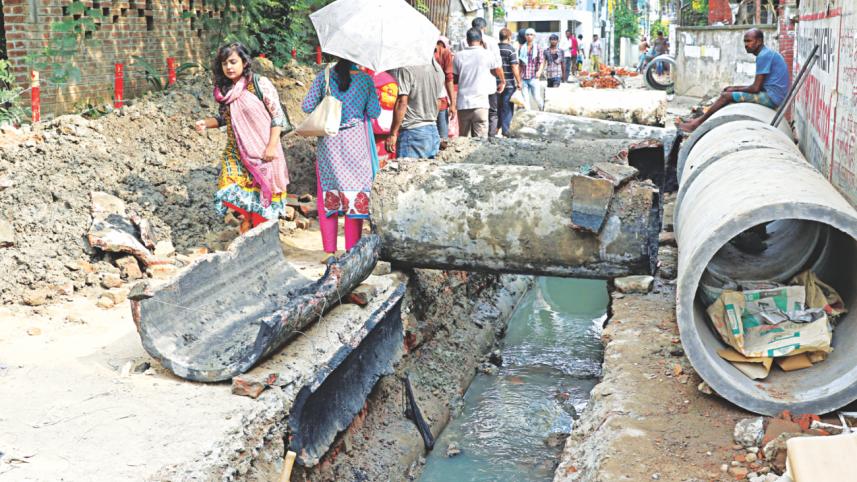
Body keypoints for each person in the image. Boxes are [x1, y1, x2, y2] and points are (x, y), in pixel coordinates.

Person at [195, 42, 290, 235]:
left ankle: (257, 236)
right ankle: (246, 221)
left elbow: (277, 116)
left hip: (263, 150)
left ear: (244, 62)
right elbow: (225, 118)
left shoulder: (259, 84)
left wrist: (271, 146)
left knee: (262, 199)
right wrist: (206, 123)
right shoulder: (225, 91)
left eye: (233, 62)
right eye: (224, 63)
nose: (228, 67)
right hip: (236, 150)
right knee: (227, 187)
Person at [301, 57, 381, 258]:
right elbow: (374, 112)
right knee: (354, 196)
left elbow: (307, 106)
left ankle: (329, 252)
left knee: (328, 195)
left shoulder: (324, 76)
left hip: (330, 144)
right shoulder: (365, 80)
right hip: (356, 145)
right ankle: (351, 252)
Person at [679, 28, 790, 133]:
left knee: (725, 96)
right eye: (744, 41)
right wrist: (735, 88)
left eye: (749, 41)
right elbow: (758, 86)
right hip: (772, 94)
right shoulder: (767, 53)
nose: (746, 45)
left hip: (771, 98)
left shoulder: (764, 56)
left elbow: (756, 88)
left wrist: (734, 88)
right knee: (729, 93)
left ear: (759, 41)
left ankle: (696, 124)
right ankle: (700, 120)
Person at [386, 59, 445, 158]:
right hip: (432, 130)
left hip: (412, 133)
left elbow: (402, 102)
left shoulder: (406, 69)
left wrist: (393, 133)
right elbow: (439, 101)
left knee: (408, 172)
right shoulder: (437, 69)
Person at [454, 27, 505, 138]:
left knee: (463, 141)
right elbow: (496, 69)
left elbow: (455, 79)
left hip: (463, 104)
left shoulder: (458, 56)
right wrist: (502, 81)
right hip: (481, 104)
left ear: (467, 40)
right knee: (480, 142)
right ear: (481, 40)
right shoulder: (488, 54)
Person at [472, 17, 505, 138]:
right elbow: (498, 64)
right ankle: (491, 137)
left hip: (472, 84)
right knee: (492, 112)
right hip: (489, 83)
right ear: (484, 28)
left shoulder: (464, 41)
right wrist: (502, 81)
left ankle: (474, 137)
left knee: (474, 110)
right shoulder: (491, 41)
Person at [497, 28, 522, 137]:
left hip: (496, 83)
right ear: (509, 37)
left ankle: (495, 129)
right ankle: (505, 130)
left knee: (497, 107)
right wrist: (519, 81)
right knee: (507, 108)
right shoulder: (511, 50)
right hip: (509, 84)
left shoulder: (495, 49)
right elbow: (514, 67)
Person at [434, 36, 457, 149]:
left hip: (434, 102)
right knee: (441, 139)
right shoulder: (445, 53)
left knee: (439, 140)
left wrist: (453, 103)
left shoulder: (443, 53)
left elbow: (449, 78)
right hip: (439, 101)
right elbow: (449, 78)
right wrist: (452, 104)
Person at [520, 28, 543, 110]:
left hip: (534, 77)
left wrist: (539, 71)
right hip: (523, 77)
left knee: (536, 97)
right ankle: (529, 116)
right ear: (525, 36)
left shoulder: (538, 47)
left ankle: (542, 108)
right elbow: (520, 64)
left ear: (534, 36)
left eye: (531, 34)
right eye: (527, 34)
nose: (529, 36)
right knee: (525, 100)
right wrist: (518, 79)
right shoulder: (522, 47)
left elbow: (541, 61)